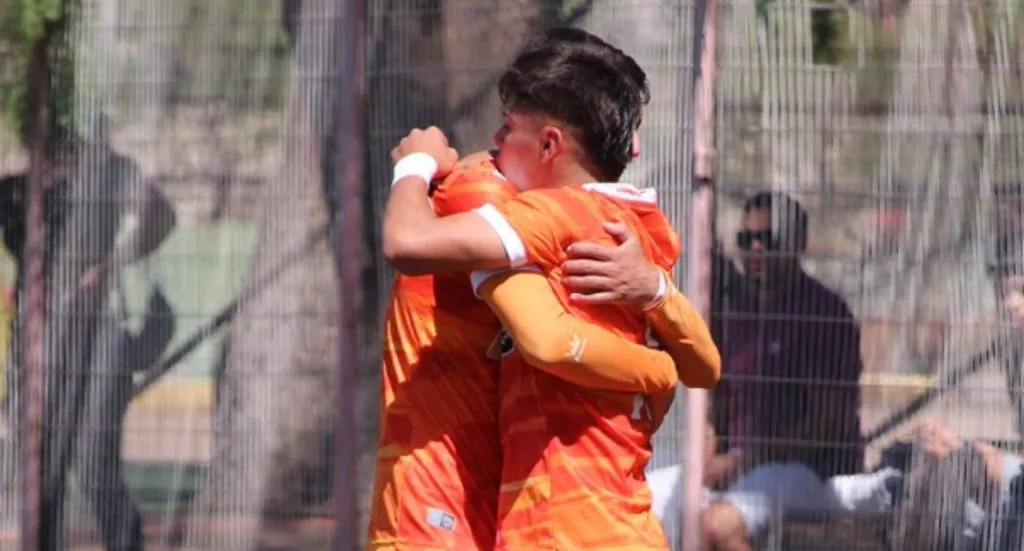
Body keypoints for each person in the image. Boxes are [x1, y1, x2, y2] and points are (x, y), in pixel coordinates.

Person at [382, 27, 720, 549]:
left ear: (548, 143)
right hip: (622, 522)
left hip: (541, 528)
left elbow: (547, 340)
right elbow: (706, 368)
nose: (495, 141)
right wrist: (658, 303)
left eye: (507, 125)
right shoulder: (642, 227)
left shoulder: (524, 207)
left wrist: (415, 163)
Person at [368, 151, 685, 550]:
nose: (633, 148)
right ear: (550, 143)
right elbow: (549, 341)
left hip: (493, 509)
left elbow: (702, 365)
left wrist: (657, 292)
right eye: (505, 124)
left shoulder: (576, 221)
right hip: (429, 510)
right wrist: (661, 371)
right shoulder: (485, 192)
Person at [697, 190, 864, 550]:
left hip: (812, 472)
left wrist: (742, 462)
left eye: (769, 240)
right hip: (741, 468)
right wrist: (704, 465)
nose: (756, 249)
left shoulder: (824, 314)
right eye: (747, 239)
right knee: (641, 504)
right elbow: (715, 413)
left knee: (715, 526)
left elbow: (829, 424)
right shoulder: (734, 312)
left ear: (798, 243)